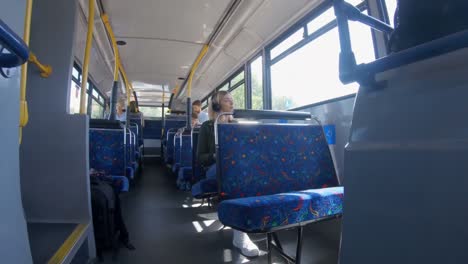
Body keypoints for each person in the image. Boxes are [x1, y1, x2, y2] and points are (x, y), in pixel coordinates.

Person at [196, 91, 260, 257]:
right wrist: (215, 155)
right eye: (227, 100)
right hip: (214, 167)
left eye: (232, 100)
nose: (232, 103)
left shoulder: (237, 124)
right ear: (217, 105)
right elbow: (201, 157)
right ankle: (240, 237)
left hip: (235, 167)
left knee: (246, 170)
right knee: (236, 172)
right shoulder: (208, 126)